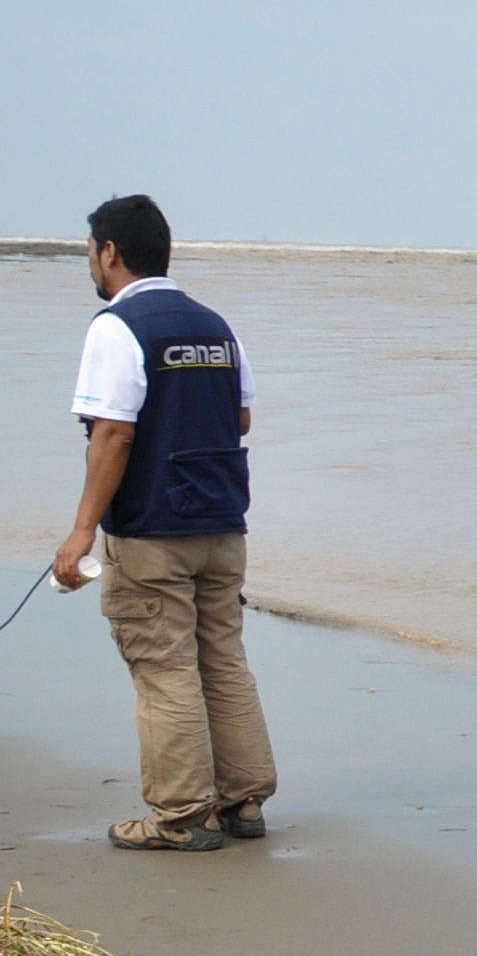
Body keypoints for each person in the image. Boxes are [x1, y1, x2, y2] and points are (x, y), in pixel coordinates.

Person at [50, 194, 276, 853]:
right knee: (224, 661)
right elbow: (240, 419)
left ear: (110, 252)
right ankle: (245, 799)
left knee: (165, 669)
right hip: (222, 524)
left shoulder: (116, 326)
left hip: (152, 529)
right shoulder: (215, 324)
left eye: (91, 251)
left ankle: (182, 816)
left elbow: (112, 435)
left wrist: (81, 530)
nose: (91, 262)